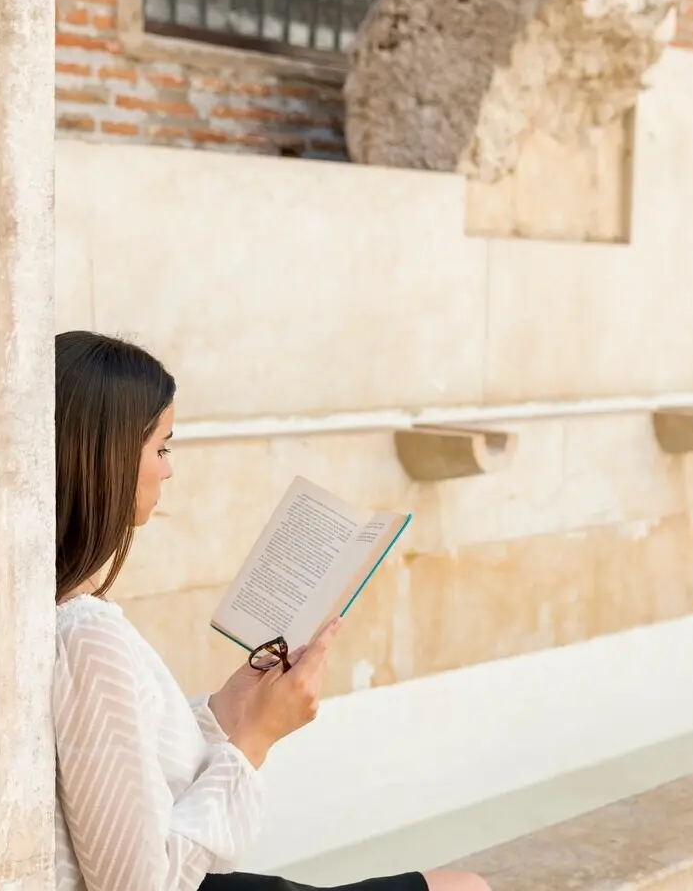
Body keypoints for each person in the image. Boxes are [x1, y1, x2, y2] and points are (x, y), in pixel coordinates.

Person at [54, 330, 490, 891]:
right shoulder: (86, 633)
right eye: (161, 448)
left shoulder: (70, 610)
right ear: (105, 458)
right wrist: (256, 737)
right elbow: (140, 886)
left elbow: (128, 769)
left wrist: (229, 706)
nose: (169, 470)